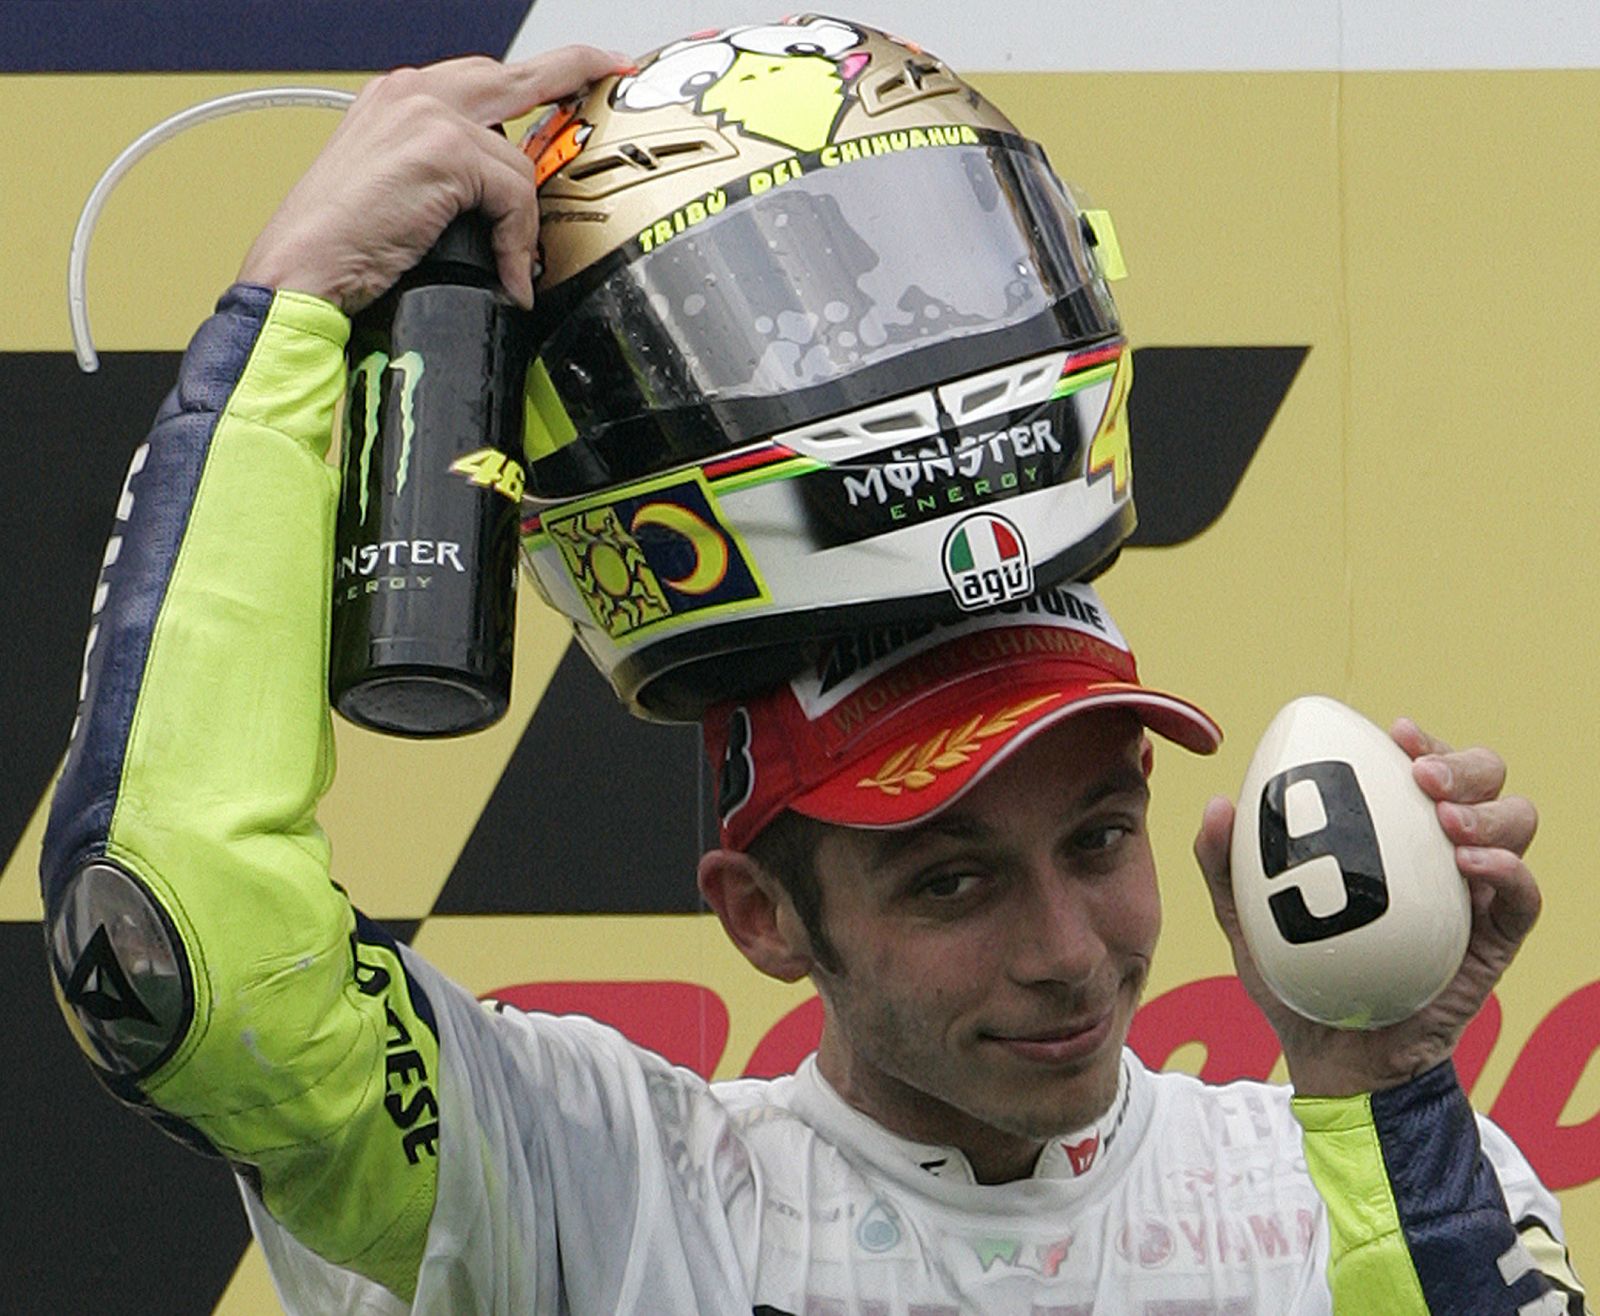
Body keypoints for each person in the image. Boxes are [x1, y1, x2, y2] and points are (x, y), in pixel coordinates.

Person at [39, 47, 1586, 1316]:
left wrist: (1378, 1080)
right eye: (950, 884)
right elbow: (177, 939)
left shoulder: (1342, 1171)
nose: (1067, 952)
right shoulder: (594, 1193)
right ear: (761, 914)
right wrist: (291, 316)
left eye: (1100, 840)